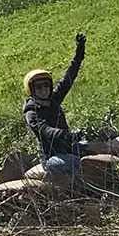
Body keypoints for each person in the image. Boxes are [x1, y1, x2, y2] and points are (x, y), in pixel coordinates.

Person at [22, 33, 87, 180]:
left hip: (68, 147)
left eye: (46, 85)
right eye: (38, 87)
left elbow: (67, 80)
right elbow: (45, 130)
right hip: (51, 157)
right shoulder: (31, 113)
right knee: (80, 163)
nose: (44, 89)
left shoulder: (54, 99)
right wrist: (64, 134)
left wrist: (79, 54)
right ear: (31, 90)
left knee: (98, 150)